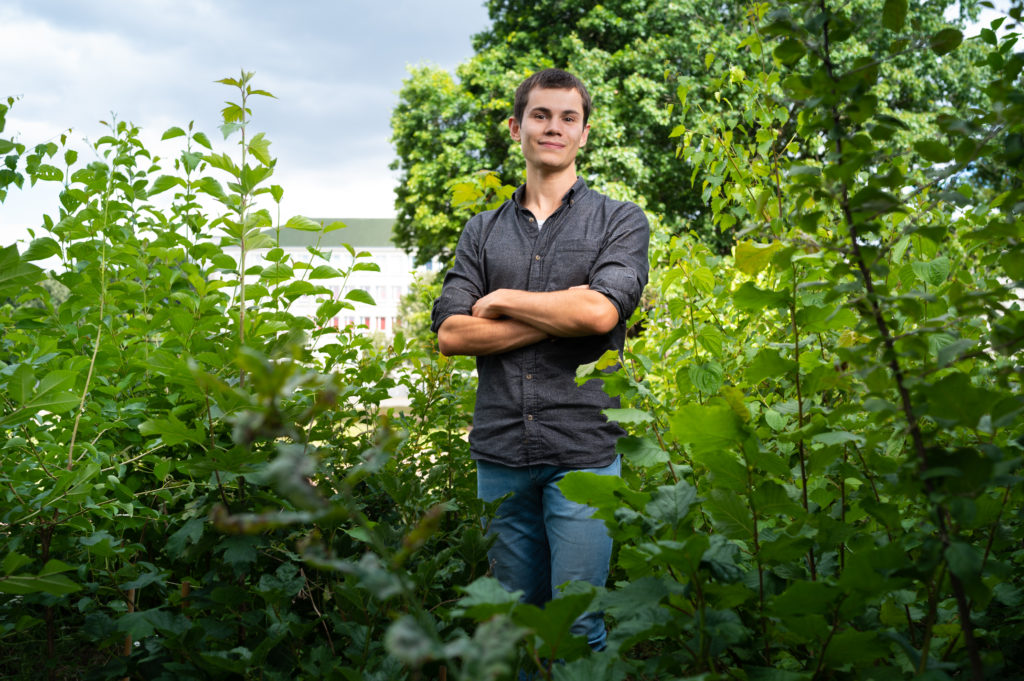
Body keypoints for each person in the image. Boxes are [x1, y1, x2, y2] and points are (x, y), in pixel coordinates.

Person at [430, 68, 649, 650]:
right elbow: (451, 334)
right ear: (516, 126)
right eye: (541, 115)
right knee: (516, 627)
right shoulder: (480, 232)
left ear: (584, 133)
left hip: (584, 450)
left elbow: (602, 315)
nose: (553, 127)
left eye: (567, 117)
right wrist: (561, 314)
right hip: (501, 452)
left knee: (579, 624)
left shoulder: (619, 221)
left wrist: (500, 302)